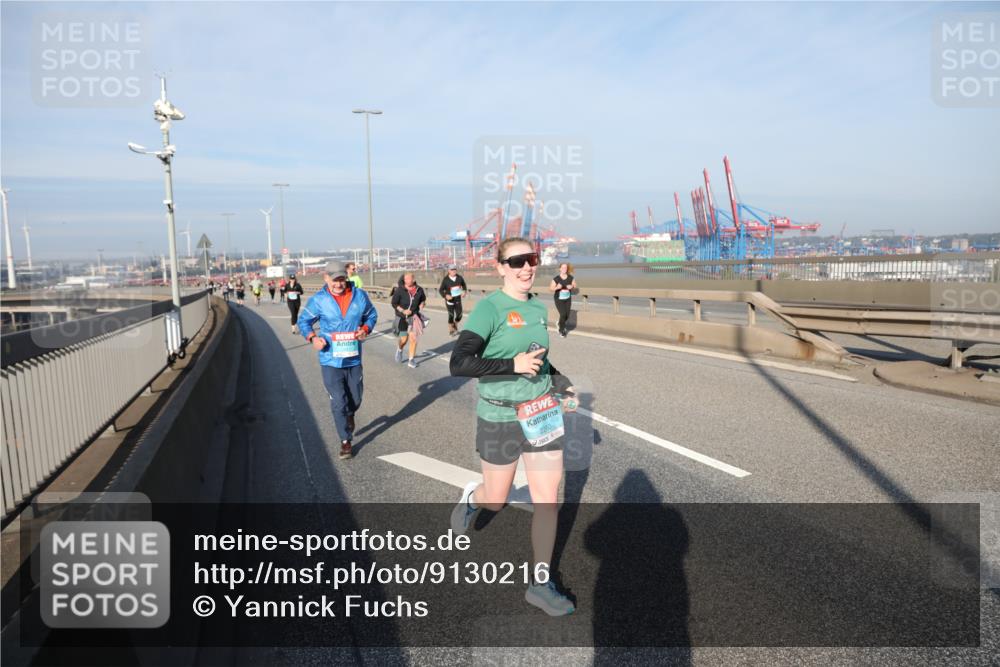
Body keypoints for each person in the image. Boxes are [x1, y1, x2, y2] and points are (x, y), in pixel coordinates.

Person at [449, 236, 578, 617]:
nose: (526, 267)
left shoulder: (538, 307)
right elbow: (459, 363)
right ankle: (474, 499)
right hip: (500, 415)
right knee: (497, 498)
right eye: (517, 261)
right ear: (500, 267)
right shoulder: (489, 309)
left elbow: (539, 359)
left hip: (540, 412)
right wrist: (513, 366)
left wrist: (561, 382)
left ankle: (540, 584)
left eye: (531, 259)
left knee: (548, 499)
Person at [297, 261, 377, 460]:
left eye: (342, 280)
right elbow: (304, 321)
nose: (339, 284)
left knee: (355, 399)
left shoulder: (359, 295)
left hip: (353, 358)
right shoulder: (319, 300)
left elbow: (371, 315)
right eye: (335, 280)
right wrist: (312, 338)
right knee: (338, 402)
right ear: (326, 278)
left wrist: (365, 329)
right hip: (330, 359)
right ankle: (345, 441)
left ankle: (350, 415)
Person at [391, 273, 427, 368]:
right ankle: (399, 349)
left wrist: (422, 304)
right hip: (402, 317)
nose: (406, 280)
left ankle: (411, 360)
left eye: (408, 278)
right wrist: (403, 310)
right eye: (405, 279)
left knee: (413, 338)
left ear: (413, 280)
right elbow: (394, 303)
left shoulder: (419, 290)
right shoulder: (400, 290)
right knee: (404, 339)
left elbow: (423, 299)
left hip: (414, 317)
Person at [438, 264, 468, 336]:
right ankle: (451, 329)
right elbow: (441, 290)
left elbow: (464, 285)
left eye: (455, 269)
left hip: (457, 299)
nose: (454, 271)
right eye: (452, 270)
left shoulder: (459, 278)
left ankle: (455, 324)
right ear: (449, 271)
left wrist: (464, 291)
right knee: (451, 315)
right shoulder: (446, 280)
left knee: (459, 315)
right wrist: (446, 295)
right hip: (450, 300)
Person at [549, 263, 577, 338]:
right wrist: (557, 288)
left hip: (568, 299)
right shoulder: (556, 279)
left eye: (565, 268)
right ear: (560, 269)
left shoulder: (571, 278)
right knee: (563, 314)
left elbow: (575, 285)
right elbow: (551, 289)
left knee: (567, 315)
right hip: (559, 299)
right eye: (563, 268)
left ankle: (559, 323)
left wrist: (572, 287)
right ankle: (561, 330)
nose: (564, 269)